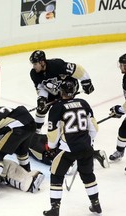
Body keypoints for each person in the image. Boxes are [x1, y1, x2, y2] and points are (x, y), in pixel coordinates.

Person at [42, 77, 101, 216]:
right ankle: (96, 204)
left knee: (56, 175)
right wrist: (86, 142)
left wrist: (52, 146)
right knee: (88, 175)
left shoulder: (56, 107)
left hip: (68, 149)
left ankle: (55, 208)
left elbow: (53, 132)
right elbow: (94, 128)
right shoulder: (83, 103)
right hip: (86, 148)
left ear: (60, 91)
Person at [29, 50, 95, 133]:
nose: (34, 67)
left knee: (64, 107)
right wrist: (42, 98)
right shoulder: (34, 74)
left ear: (42, 62)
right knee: (42, 108)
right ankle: (37, 130)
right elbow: (41, 88)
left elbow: (76, 69)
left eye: (35, 64)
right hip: (53, 90)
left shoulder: (56, 64)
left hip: (68, 87)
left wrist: (86, 82)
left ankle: (74, 125)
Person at [28, 132, 110, 168]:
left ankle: (68, 163)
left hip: (32, 142)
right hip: (41, 138)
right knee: (64, 146)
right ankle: (95, 154)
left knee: (47, 156)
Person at [109, 53, 126, 163]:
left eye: (123, 65)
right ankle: (120, 151)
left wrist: (120, 110)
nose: (121, 67)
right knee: (124, 130)